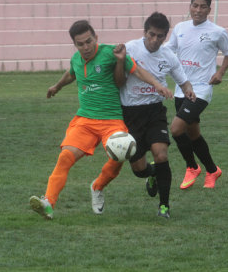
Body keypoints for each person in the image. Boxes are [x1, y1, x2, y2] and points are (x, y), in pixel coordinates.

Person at [29, 20, 171, 220]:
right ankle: (48, 203)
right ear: (75, 45)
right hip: (85, 120)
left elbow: (137, 70)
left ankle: (97, 186)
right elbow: (71, 74)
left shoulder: (111, 53)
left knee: (120, 157)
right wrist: (57, 86)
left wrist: (157, 84)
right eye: (80, 44)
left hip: (111, 120)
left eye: (89, 41)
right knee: (65, 157)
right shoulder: (76, 59)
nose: (86, 47)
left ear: (96, 37)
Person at [121, 12, 196, 219]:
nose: (155, 40)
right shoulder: (130, 49)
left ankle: (164, 206)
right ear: (144, 32)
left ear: (165, 36)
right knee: (138, 169)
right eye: (151, 35)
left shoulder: (168, 56)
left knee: (161, 155)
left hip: (155, 111)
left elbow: (184, 81)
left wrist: (188, 90)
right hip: (130, 114)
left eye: (160, 36)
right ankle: (151, 174)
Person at [165, 0, 228, 190]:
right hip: (181, 88)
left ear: (209, 9)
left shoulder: (217, 32)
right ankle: (212, 170)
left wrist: (220, 73)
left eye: (203, 6)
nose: (198, 10)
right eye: (195, 5)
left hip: (202, 89)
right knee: (193, 134)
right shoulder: (180, 27)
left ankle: (192, 167)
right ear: (190, 7)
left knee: (176, 129)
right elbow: (169, 51)